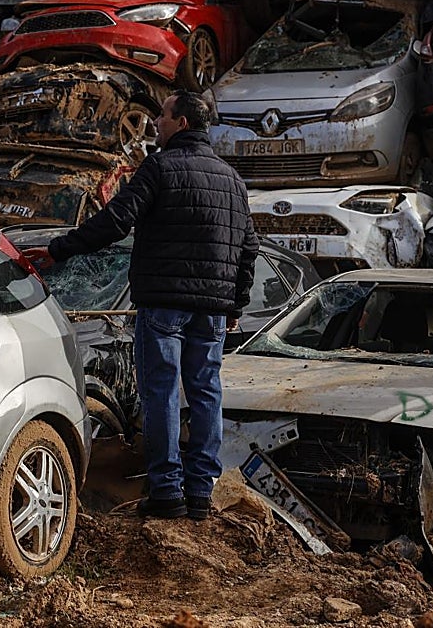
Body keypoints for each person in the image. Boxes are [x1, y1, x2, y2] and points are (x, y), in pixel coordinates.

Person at [24, 91, 258, 520]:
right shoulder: (232, 179)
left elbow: (116, 221)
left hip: (163, 305)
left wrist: (59, 250)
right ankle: (201, 492)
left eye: (163, 116)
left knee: (162, 392)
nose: (155, 121)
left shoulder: (160, 167)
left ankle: (167, 491)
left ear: (182, 123)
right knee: (206, 392)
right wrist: (236, 302)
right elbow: (249, 248)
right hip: (213, 309)